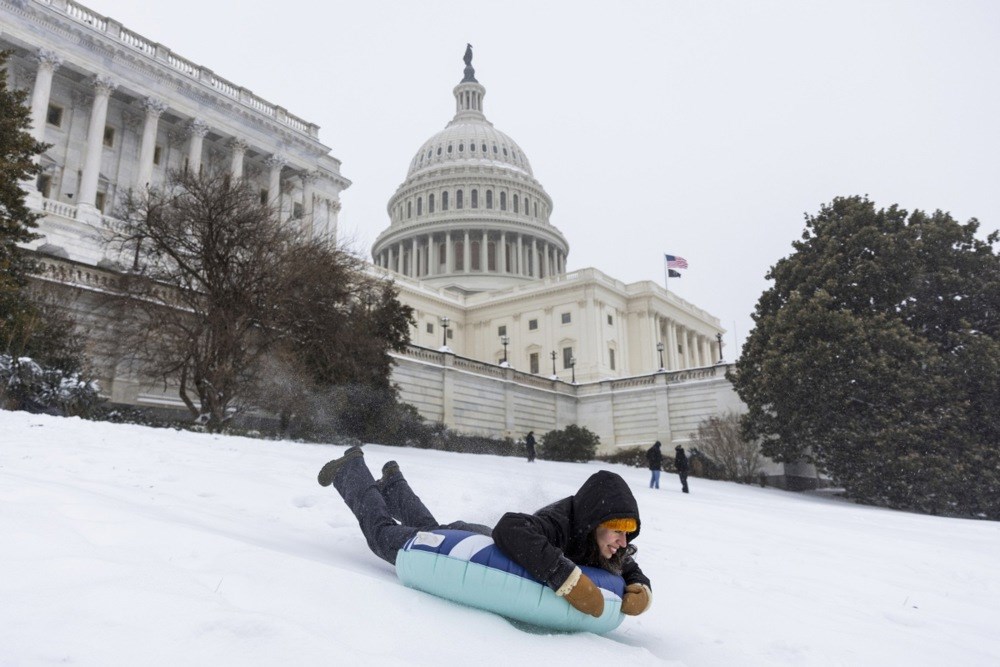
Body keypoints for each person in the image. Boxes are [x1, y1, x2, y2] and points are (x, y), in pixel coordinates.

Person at [317, 448, 652, 618]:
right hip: (478, 545)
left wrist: (641, 587)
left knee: (431, 530)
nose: (623, 541)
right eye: (618, 530)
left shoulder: (606, 543)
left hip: (472, 535)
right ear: (594, 521)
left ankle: (394, 486)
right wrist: (566, 577)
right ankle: (351, 470)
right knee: (384, 537)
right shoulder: (559, 522)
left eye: (629, 532)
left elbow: (627, 565)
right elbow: (510, 527)